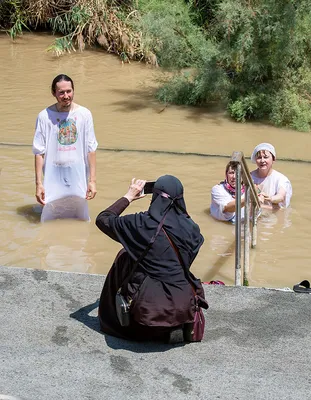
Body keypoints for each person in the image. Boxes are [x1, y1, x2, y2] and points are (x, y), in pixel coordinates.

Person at [95, 175, 208, 342]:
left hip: (149, 312)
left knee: (124, 256)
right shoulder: (192, 229)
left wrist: (129, 196)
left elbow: (103, 219)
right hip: (184, 306)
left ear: (155, 196)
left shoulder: (141, 223)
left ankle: (114, 320)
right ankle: (174, 328)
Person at [32, 74, 98, 222]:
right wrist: (39, 184)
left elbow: (91, 149)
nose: (66, 96)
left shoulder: (84, 114)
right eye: (61, 92)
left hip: (78, 174)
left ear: (73, 91)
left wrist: (92, 181)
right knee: (49, 218)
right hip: (53, 174)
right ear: (54, 93)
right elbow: (39, 152)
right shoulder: (44, 116)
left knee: (81, 219)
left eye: (69, 91)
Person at [250, 143, 292, 209]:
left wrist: (270, 198)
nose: (262, 160)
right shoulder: (249, 177)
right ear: (255, 160)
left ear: (273, 159)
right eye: (259, 157)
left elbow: (281, 196)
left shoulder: (281, 179)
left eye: (266, 157)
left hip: (274, 215)